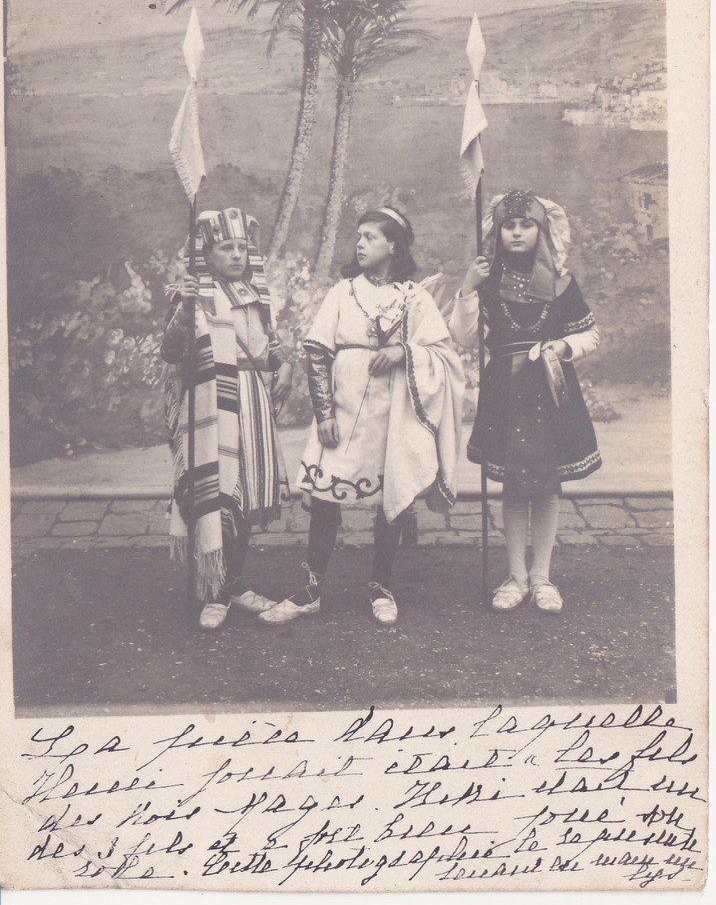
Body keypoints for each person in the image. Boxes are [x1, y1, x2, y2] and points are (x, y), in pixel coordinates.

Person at [259, 206, 465, 627]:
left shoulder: (413, 297)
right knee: (325, 499)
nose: (360, 243)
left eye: (371, 236)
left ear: (394, 244)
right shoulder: (343, 292)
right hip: (343, 408)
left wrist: (404, 351)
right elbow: (317, 353)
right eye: (359, 236)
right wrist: (323, 413)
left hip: (391, 416)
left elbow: (443, 354)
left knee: (389, 500)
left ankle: (380, 586)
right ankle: (311, 590)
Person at [449, 188, 600, 614]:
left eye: (526, 225)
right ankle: (515, 577)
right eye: (508, 226)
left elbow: (590, 334)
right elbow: (462, 337)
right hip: (504, 392)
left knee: (547, 486)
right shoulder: (489, 284)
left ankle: (542, 578)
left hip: (550, 389)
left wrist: (562, 348)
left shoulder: (561, 283)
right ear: (497, 233)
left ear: (542, 229)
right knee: (514, 486)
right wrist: (467, 287)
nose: (516, 233)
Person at [162, 207, 292, 630]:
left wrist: (284, 364)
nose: (236, 255)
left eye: (241, 247)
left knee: (246, 495)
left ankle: (234, 584)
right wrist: (184, 307)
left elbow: (268, 348)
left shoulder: (259, 296)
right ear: (208, 253)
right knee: (216, 492)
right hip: (212, 402)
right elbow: (172, 352)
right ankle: (213, 592)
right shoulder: (195, 296)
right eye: (225, 247)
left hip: (252, 402)